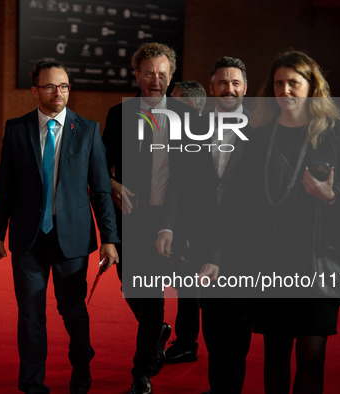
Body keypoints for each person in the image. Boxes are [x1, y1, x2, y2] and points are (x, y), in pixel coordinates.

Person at [220, 50, 340, 394]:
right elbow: (240, 198)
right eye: (279, 83)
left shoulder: (336, 132)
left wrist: (329, 196)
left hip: (318, 258)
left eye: (293, 83)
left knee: (312, 356)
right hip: (272, 258)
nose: (285, 91)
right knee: (276, 353)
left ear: (312, 87)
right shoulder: (259, 133)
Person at [0, 58, 119, 394]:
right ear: (35, 90)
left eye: (63, 85)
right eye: (49, 86)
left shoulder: (87, 130)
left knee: (72, 310)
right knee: (31, 314)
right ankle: (32, 383)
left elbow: (101, 188)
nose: (57, 92)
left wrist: (109, 238)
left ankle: (81, 367)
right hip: (28, 239)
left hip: (72, 239)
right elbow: (5, 187)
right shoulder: (16, 129)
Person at [102, 42, 193, 394]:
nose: (155, 80)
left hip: (167, 219)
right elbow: (100, 164)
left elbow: (192, 180)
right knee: (130, 287)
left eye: (162, 73)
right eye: (149, 73)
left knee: (151, 294)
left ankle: (141, 372)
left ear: (171, 77)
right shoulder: (118, 114)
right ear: (137, 74)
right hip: (130, 218)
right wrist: (112, 184)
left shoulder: (188, 118)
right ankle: (157, 332)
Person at [175, 56, 253, 394]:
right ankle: (217, 387)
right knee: (212, 327)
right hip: (202, 245)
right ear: (212, 87)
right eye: (223, 82)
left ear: (245, 88)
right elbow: (182, 186)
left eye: (235, 82)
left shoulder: (260, 131)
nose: (229, 88)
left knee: (237, 330)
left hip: (242, 250)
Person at [161, 80, 206, 365]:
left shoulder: (198, 137)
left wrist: (188, 233)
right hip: (173, 221)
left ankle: (188, 343)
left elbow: (197, 191)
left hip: (192, 226)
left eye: (174, 101)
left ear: (189, 106)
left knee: (189, 286)